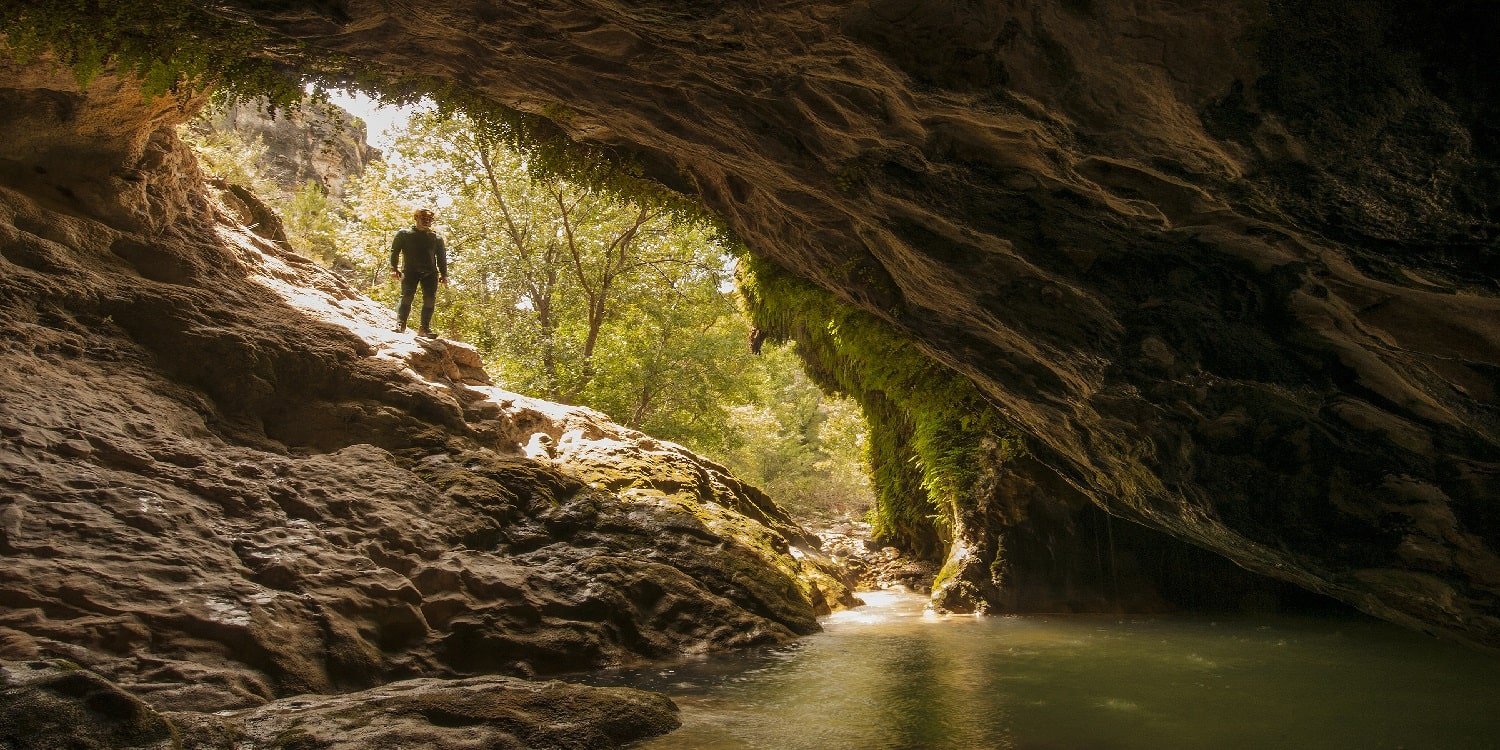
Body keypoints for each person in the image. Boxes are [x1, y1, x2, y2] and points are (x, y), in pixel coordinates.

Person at [389, 208, 448, 336]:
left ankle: (424, 329)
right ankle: (400, 324)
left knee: (430, 299)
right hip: (410, 271)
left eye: (429, 219)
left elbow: (442, 257)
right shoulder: (403, 234)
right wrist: (394, 268)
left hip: (430, 273)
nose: (426, 221)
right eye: (423, 218)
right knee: (406, 296)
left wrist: (444, 274)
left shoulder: (436, 238)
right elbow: (395, 251)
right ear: (416, 218)